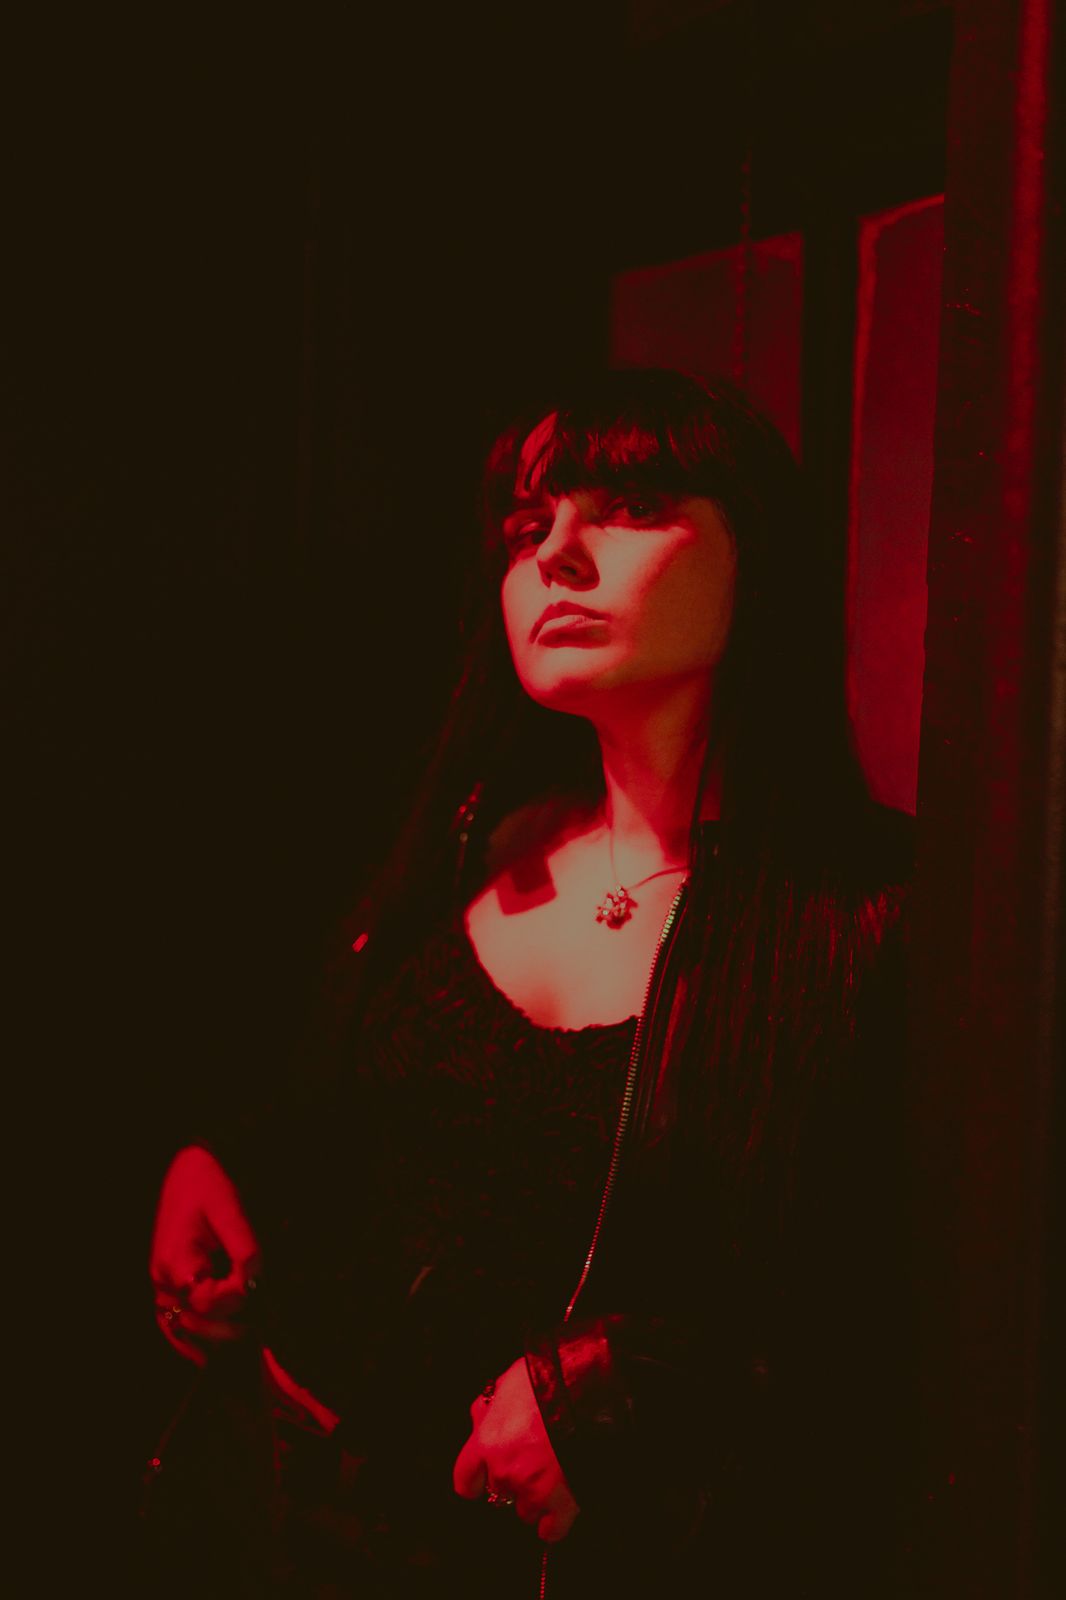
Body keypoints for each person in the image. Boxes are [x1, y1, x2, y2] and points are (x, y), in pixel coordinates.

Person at [146, 367, 915, 1597]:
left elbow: (907, 1315)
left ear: (758, 555)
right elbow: (368, 1124)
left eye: (630, 505)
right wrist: (232, 1162)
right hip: (278, 1506)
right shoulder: (474, 833)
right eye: (525, 525)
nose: (555, 553)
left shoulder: (869, 917)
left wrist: (625, 1394)